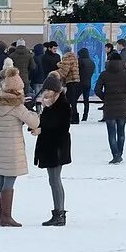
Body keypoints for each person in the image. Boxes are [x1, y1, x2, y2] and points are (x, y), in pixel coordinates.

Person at [0, 66, 40, 226]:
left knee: (1, 179)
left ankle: (1, 216)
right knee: (9, 180)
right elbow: (34, 122)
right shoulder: (17, 106)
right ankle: (6, 217)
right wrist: (33, 112)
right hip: (13, 147)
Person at [34, 73, 71, 226]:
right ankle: (58, 213)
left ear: (55, 91)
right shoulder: (50, 104)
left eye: (48, 90)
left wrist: (42, 130)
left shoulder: (62, 105)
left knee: (55, 180)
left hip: (57, 148)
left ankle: (59, 214)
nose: (45, 93)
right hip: (51, 147)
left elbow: (61, 128)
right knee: (53, 180)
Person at [94, 51, 126, 165]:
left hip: (109, 106)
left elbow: (97, 90)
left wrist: (104, 97)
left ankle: (115, 155)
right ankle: (120, 153)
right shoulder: (125, 73)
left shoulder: (104, 74)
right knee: (121, 132)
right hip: (122, 106)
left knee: (111, 133)